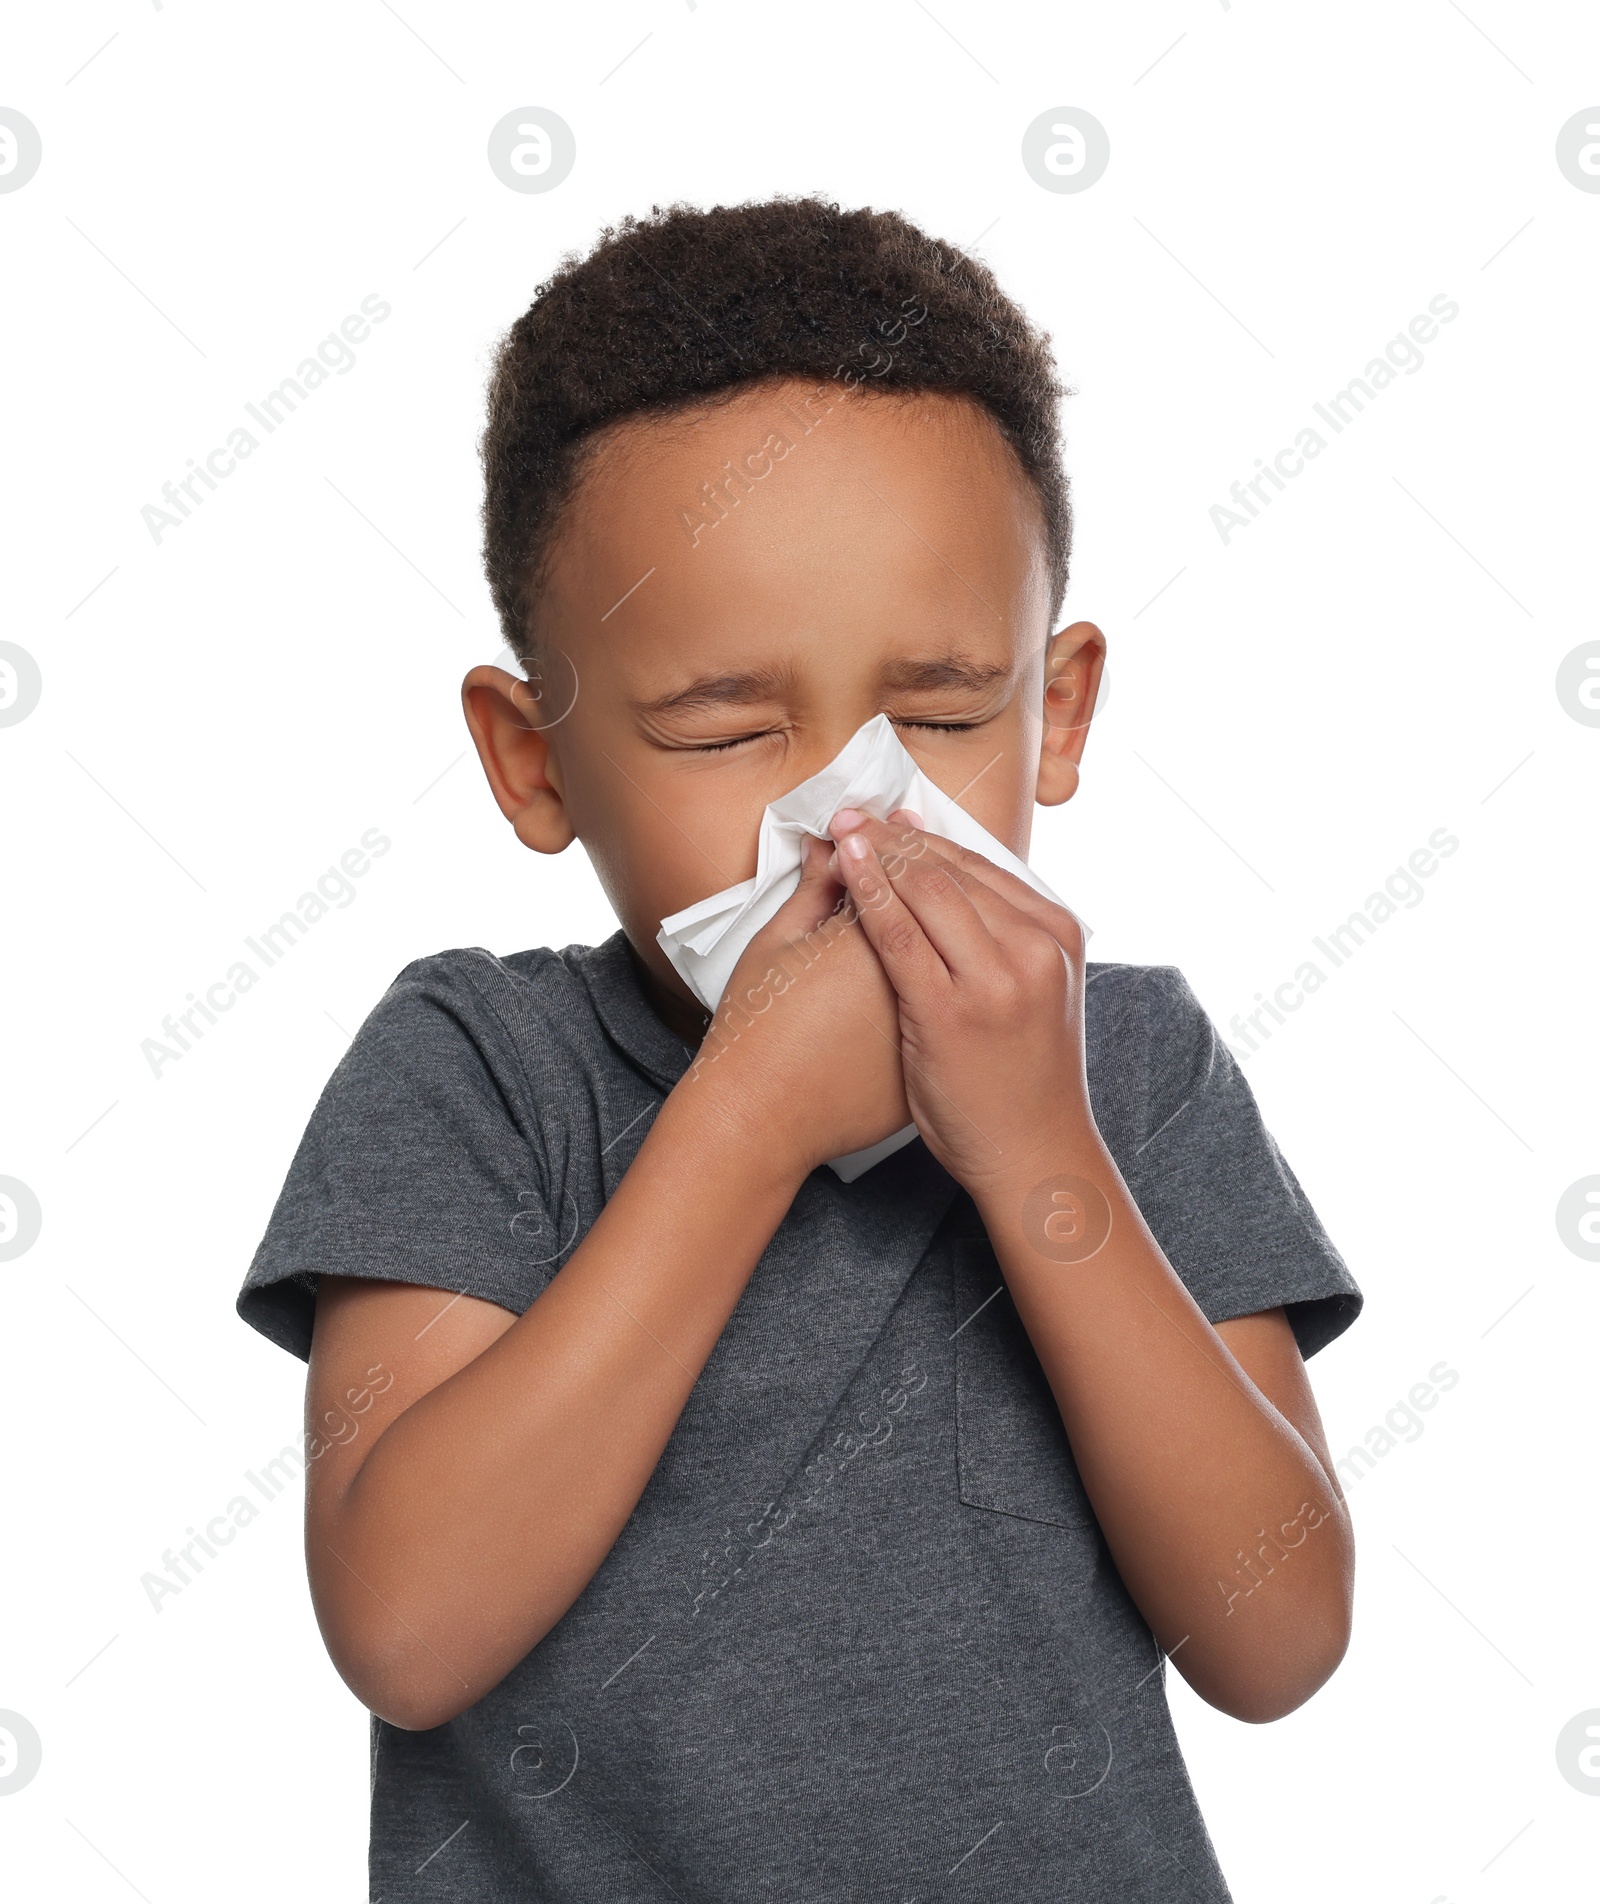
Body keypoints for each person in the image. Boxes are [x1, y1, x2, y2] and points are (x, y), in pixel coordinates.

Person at [237, 195, 1361, 1901]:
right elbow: (404, 1627)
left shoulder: (1129, 1067)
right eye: (728, 726)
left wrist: (1041, 1154)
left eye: (943, 713)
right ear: (532, 759)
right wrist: (746, 1112)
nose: (851, 816)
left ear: (1056, 714)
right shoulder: (474, 1066)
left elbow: (1274, 1639)